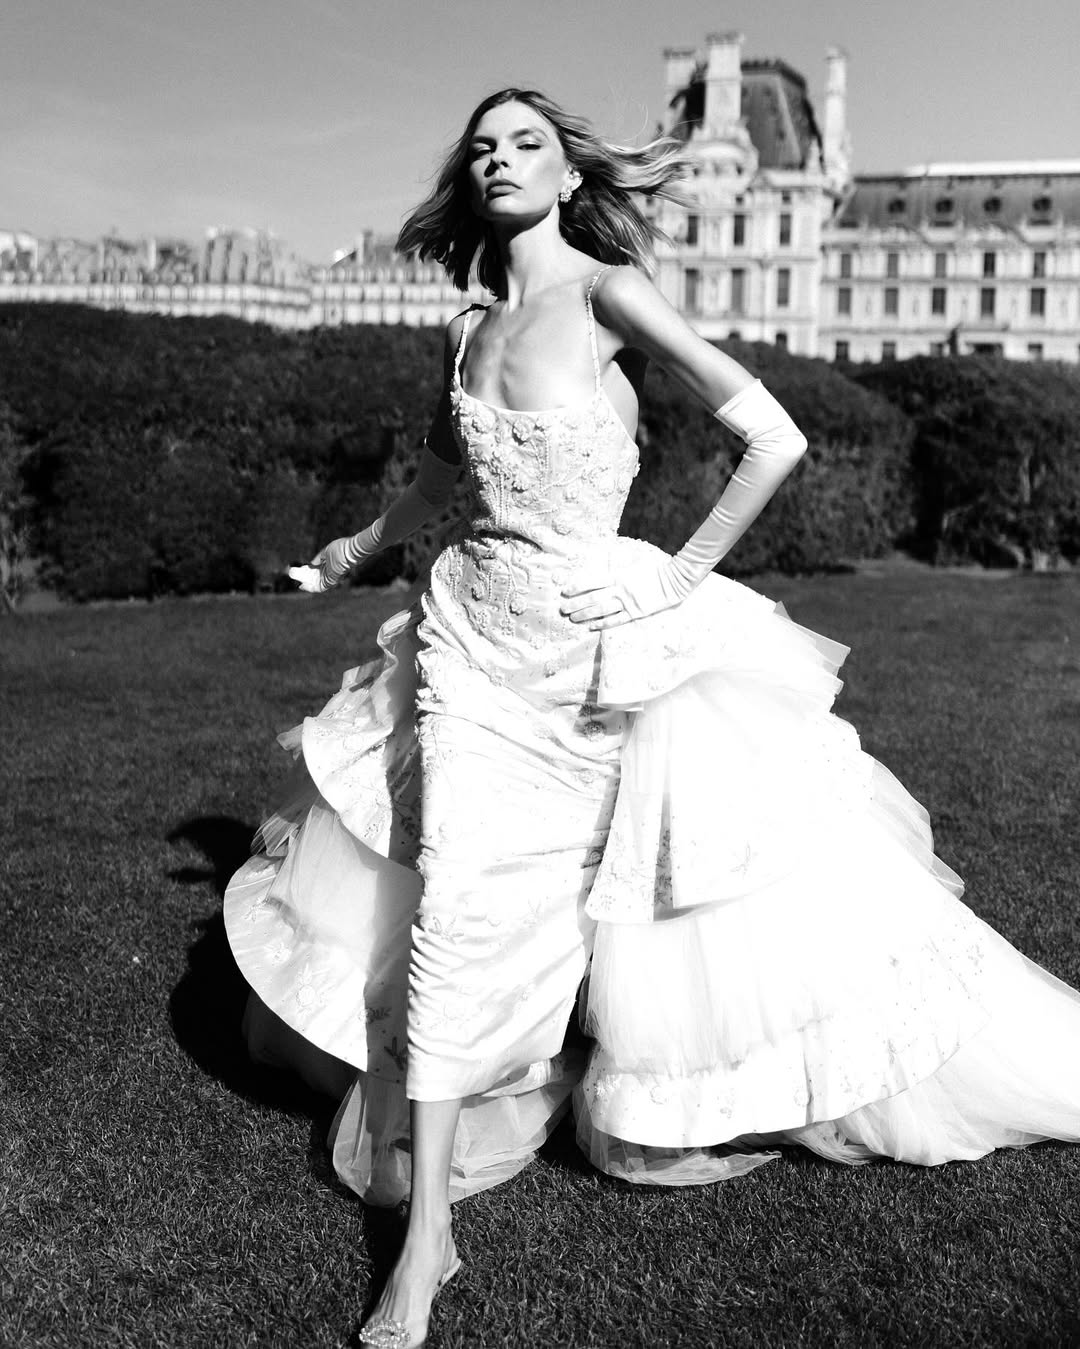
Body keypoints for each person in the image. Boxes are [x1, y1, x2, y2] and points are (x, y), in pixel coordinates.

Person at [224, 88, 1080, 1348]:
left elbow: (771, 436)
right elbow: (437, 484)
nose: (502, 160)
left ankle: (568, 1072)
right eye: (483, 147)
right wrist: (356, 546)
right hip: (470, 647)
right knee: (455, 903)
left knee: (622, 896)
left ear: (568, 176)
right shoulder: (465, 328)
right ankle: (427, 1239)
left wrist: (679, 574)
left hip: (592, 653)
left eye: (527, 143)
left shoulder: (610, 296)